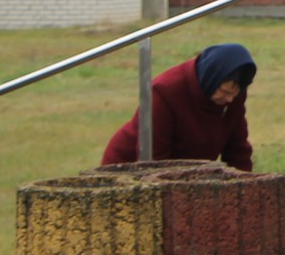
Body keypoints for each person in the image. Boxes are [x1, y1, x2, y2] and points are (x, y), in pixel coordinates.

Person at [100, 43, 257, 171]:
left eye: (234, 94)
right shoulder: (165, 92)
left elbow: (238, 151)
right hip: (129, 167)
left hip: (190, 173)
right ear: (212, 78)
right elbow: (155, 159)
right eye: (224, 91)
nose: (229, 99)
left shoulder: (232, 99)